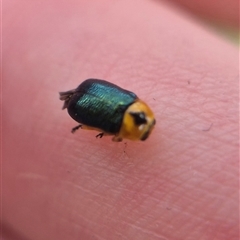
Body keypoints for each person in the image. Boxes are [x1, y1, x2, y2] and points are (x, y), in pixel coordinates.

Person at [3, 0, 238, 239]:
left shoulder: (133, 104)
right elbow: (113, 135)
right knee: (100, 124)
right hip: (85, 104)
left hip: (90, 98)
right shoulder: (124, 123)